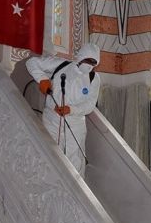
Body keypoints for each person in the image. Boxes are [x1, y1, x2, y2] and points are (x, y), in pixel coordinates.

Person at [26, 44, 101, 175]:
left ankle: (76, 187)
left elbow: (90, 104)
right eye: (88, 60)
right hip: (52, 121)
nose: (89, 65)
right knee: (49, 155)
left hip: (75, 125)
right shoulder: (61, 65)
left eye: (93, 63)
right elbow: (31, 63)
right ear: (81, 57)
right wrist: (42, 79)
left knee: (75, 160)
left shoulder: (94, 78)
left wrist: (71, 109)